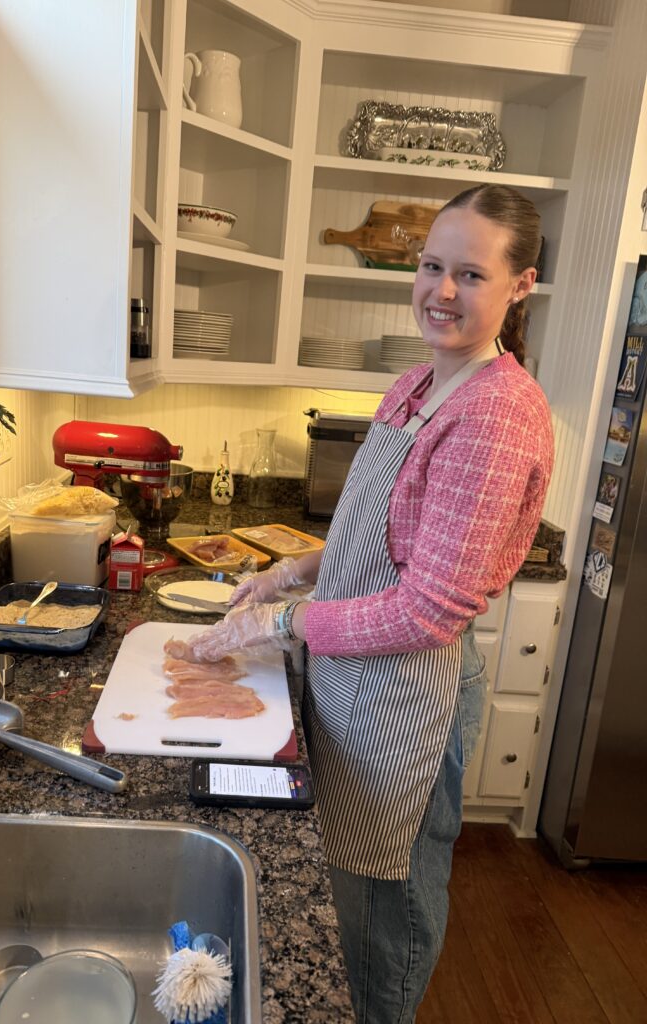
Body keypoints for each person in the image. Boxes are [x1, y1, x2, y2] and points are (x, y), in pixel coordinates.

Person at [182, 183, 555, 1023]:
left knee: (387, 913)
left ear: (520, 284)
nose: (442, 291)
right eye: (431, 266)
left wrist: (280, 622)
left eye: (471, 274)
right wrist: (288, 572)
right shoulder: (416, 385)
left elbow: (426, 611)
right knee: (344, 900)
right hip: (353, 682)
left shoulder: (497, 414)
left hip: (407, 703)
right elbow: (377, 532)